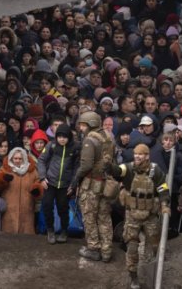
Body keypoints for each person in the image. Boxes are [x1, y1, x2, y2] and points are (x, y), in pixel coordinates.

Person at [107, 143, 170, 289]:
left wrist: (165, 204)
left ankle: (154, 270)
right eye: (136, 154)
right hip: (132, 215)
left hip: (150, 215)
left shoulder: (155, 170)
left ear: (147, 156)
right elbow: (117, 171)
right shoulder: (128, 168)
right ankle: (133, 277)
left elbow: (163, 188)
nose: (137, 156)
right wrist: (108, 164)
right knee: (132, 247)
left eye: (141, 154)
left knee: (154, 244)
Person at [72, 111, 115, 262]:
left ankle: (93, 248)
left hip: (92, 184)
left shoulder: (90, 140)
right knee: (104, 217)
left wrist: (75, 179)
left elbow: (86, 165)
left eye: (83, 125)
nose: (81, 128)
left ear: (90, 124)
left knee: (89, 216)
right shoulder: (108, 136)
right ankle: (107, 250)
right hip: (106, 183)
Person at [37, 123, 80, 243]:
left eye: (65, 137)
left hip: (65, 185)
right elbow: (41, 160)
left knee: (63, 208)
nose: (62, 139)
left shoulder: (75, 148)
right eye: (59, 136)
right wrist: (42, 177)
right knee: (47, 205)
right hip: (50, 182)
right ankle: (50, 230)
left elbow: (77, 168)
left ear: (69, 137)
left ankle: (64, 230)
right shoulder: (52, 145)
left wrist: (73, 184)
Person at [0, 147, 43, 234]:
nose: (17, 160)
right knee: (8, 238)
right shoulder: (4, 169)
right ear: (11, 158)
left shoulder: (32, 171)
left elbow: (38, 184)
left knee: (26, 240)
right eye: (15, 158)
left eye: (20, 158)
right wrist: (2, 180)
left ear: (24, 159)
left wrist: (37, 190)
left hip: (27, 208)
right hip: (9, 209)